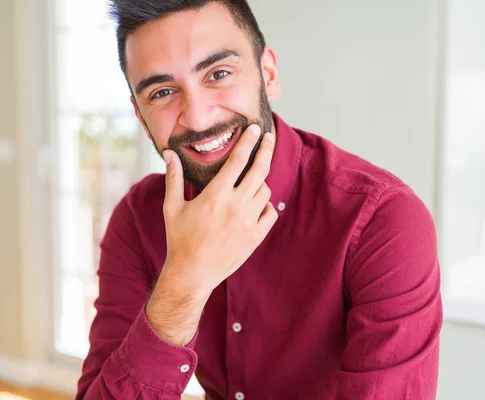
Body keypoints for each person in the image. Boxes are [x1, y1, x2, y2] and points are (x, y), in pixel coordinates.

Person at [75, 1, 443, 399]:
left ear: (267, 74)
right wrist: (182, 284)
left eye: (218, 73)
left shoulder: (382, 219)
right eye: (162, 92)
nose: (197, 118)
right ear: (140, 114)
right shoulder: (137, 218)